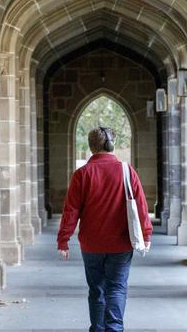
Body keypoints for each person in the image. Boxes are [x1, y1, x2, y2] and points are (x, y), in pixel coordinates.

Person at [57, 126, 153, 332]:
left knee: (96, 290)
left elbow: (71, 210)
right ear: (111, 145)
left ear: (91, 147)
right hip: (121, 243)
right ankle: (115, 329)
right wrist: (146, 234)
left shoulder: (82, 174)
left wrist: (63, 240)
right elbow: (141, 206)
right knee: (117, 288)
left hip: (91, 245)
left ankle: (97, 329)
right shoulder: (127, 171)